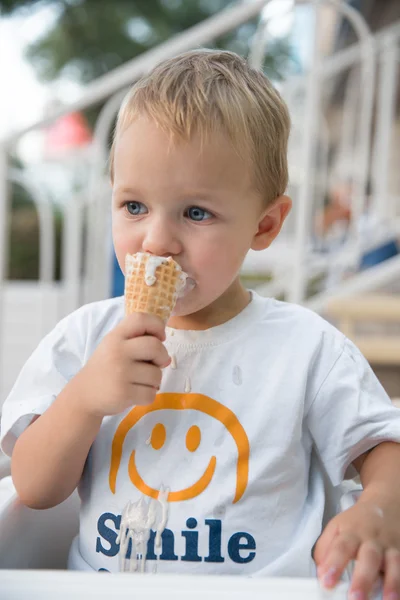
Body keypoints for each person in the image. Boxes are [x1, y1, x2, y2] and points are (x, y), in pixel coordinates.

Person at [1, 49, 400, 599]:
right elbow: (34, 490)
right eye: (134, 206)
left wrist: (378, 513)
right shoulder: (83, 339)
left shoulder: (307, 348)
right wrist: (85, 398)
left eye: (195, 213)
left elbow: (386, 451)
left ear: (264, 225)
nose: (156, 241)